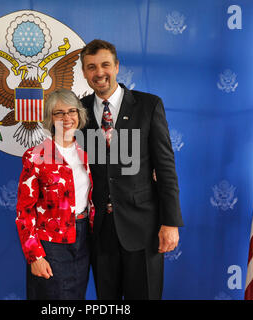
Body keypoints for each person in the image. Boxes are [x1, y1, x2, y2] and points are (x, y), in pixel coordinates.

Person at [80, 39, 183, 300]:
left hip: (144, 227)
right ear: (84, 72)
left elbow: (166, 168)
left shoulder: (148, 106)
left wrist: (170, 222)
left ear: (117, 67)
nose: (99, 72)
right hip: (100, 230)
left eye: (105, 65)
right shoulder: (78, 112)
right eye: (91, 67)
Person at [15, 89, 95, 300]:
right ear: (50, 118)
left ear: (80, 115)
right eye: (59, 113)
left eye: (72, 111)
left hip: (84, 237)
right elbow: (24, 211)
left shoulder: (89, 153)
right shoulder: (35, 156)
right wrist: (35, 257)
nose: (67, 118)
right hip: (50, 243)